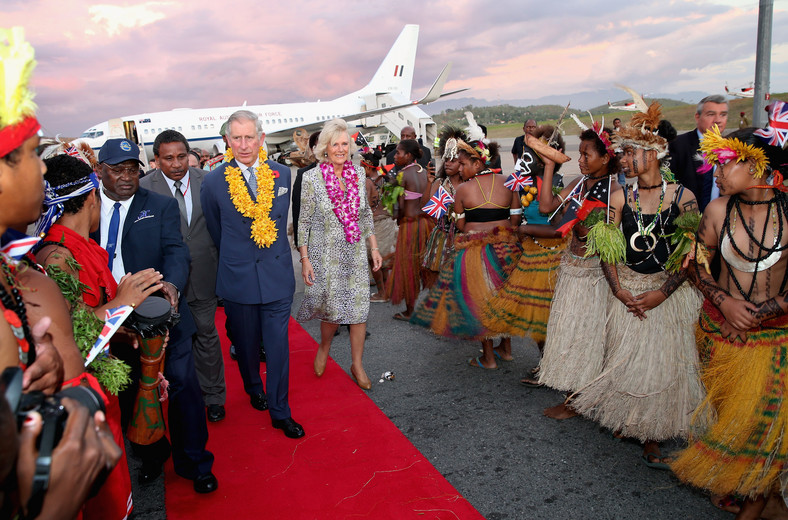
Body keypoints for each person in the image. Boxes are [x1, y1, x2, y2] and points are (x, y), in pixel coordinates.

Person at [569, 103, 705, 469]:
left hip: (666, 293)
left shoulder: (683, 198)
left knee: (662, 364)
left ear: (653, 154)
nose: (623, 159)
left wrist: (662, 293)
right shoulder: (619, 198)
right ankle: (630, 418)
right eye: (622, 152)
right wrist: (617, 290)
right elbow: (607, 251)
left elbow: (688, 255)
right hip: (627, 290)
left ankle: (654, 431)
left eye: (629, 152)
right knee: (625, 358)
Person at [670, 124, 788, 520]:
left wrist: (761, 312)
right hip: (719, 337)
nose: (714, 174)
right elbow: (695, 264)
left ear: (755, 164)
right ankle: (755, 489)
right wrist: (725, 302)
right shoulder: (717, 210)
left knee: (765, 429)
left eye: (723, 165)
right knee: (731, 420)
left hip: (775, 341)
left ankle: (754, 503)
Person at [92, 138, 217, 493]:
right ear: (101, 171)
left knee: (183, 389)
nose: (126, 177)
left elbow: (176, 251)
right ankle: (150, 456)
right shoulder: (87, 208)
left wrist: (174, 286)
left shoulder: (159, 205)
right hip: (113, 322)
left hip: (163, 317)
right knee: (131, 392)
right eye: (117, 170)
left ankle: (195, 463)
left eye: (132, 169)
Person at [201, 110, 304, 439]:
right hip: (238, 279)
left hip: (277, 276)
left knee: (277, 347)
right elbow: (216, 232)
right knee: (246, 347)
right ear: (228, 141)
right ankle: (252, 386)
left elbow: (283, 218)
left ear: (261, 138)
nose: (244, 145)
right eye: (237, 138)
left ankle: (280, 410)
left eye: (250, 137)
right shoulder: (214, 181)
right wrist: (238, 259)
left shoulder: (282, 174)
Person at [530, 120, 625, 418]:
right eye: (580, 154)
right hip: (573, 268)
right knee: (576, 334)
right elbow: (546, 208)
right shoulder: (578, 184)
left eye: (587, 155)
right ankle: (577, 396)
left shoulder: (615, 193)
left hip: (597, 275)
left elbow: (610, 241)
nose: (581, 160)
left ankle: (581, 399)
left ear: (606, 158)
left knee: (593, 335)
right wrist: (549, 165)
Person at [411, 138, 523, 368]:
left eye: (463, 164)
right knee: (504, 297)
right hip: (506, 249)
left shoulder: (463, 189)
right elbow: (515, 220)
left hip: (476, 252)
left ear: (478, 163)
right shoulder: (509, 182)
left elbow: (461, 227)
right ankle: (507, 348)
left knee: (481, 300)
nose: (460, 169)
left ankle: (488, 357)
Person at [141, 130, 227, 423]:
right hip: (164, 283)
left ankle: (214, 396)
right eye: (168, 158)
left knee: (206, 335)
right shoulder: (144, 189)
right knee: (174, 345)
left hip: (204, 274)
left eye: (181, 157)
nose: (177, 164)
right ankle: (179, 399)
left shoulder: (208, 181)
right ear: (156, 160)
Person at [295, 119, 382, 390]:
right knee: (332, 312)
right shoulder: (311, 177)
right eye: (336, 144)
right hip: (325, 256)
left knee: (359, 311)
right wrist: (305, 259)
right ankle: (325, 346)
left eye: (345, 144)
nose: (341, 149)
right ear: (325, 148)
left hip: (355, 253)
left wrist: (374, 247)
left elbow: (365, 214)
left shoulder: (358, 174)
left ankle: (357, 364)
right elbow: (304, 221)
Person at [482, 126, 570, 367]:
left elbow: (561, 228)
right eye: (529, 151)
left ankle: (554, 367)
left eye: (536, 151)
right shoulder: (525, 183)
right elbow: (516, 216)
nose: (528, 157)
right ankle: (547, 366)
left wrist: (526, 230)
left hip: (552, 258)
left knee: (548, 319)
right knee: (537, 319)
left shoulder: (558, 185)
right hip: (530, 255)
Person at [386, 139, 434, 320]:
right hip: (427, 224)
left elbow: (398, 206)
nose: (395, 156)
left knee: (408, 268)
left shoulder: (401, 175)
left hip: (410, 226)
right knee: (427, 266)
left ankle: (410, 311)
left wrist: (396, 217)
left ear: (408, 155)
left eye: (399, 153)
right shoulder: (423, 173)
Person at [420, 126, 467, 289]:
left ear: (461, 163)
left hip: (464, 240)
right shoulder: (440, 183)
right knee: (440, 286)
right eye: (446, 160)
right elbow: (425, 208)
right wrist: (429, 183)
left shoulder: (469, 185)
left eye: (452, 160)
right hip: (442, 239)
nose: (447, 163)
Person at [668, 94, 728, 211]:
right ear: (697, 117)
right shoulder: (678, 145)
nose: (718, 120)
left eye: (723, 115)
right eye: (711, 114)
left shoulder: (732, 148)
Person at [362, 149, 397, 301]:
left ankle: (382, 293)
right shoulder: (386, 178)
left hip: (374, 225)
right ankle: (387, 291)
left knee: (373, 260)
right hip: (387, 223)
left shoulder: (366, 182)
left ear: (368, 167)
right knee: (382, 260)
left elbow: (364, 207)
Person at [292, 131, 320, 248]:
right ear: (313, 150)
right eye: (317, 146)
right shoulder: (304, 174)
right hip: (315, 243)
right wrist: (300, 243)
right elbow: (297, 210)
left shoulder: (346, 174)